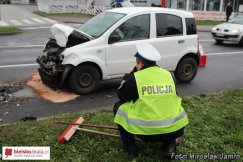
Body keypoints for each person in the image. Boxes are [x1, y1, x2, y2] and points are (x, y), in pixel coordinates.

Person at [113, 42, 189, 159]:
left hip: (146, 133)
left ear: (140, 63)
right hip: (175, 129)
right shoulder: (168, 75)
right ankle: (170, 146)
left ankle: (130, 147)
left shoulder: (135, 78)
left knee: (119, 106)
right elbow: (174, 96)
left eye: (136, 64)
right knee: (170, 108)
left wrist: (127, 76)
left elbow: (122, 96)